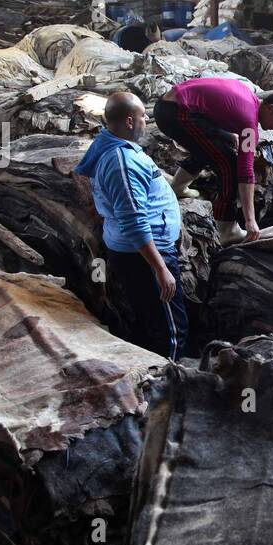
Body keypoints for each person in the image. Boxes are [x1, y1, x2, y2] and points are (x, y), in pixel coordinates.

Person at [73, 91, 188, 360]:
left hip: (134, 252)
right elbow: (134, 221)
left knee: (148, 315)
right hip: (146, 255)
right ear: (128, 121)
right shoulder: (123, 162)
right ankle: (171, 375)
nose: (146, 119)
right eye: (142, 116)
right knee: (171, 327)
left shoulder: (111, 147)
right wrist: (160, 268)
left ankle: (148, 366)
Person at [153, 76, 273, 245]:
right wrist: (250, 220)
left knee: (210, 148)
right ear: (270, 108)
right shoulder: (249, 123)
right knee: (229, 165)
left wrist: (227, 136)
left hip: (167, 104)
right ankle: (226, 228)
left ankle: (177, 187)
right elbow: (245, 172)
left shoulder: (249, 97)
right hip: (175, 113)